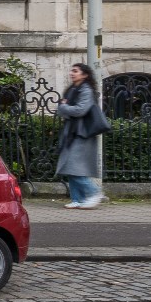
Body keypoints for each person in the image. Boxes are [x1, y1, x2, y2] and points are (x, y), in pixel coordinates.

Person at [54, 61, 110, 208]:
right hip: (72, 133)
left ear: (84, 75)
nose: (72, 73)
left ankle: (95, 192)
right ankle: (77, 199)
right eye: (71, 70)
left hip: (82, 133)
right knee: (69, 168)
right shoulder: (73, 89)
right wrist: (64, 108)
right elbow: (62, 110)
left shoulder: (86, 90)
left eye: (76, 71)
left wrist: (64, 106)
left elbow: (80, 110)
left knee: (74, 167)